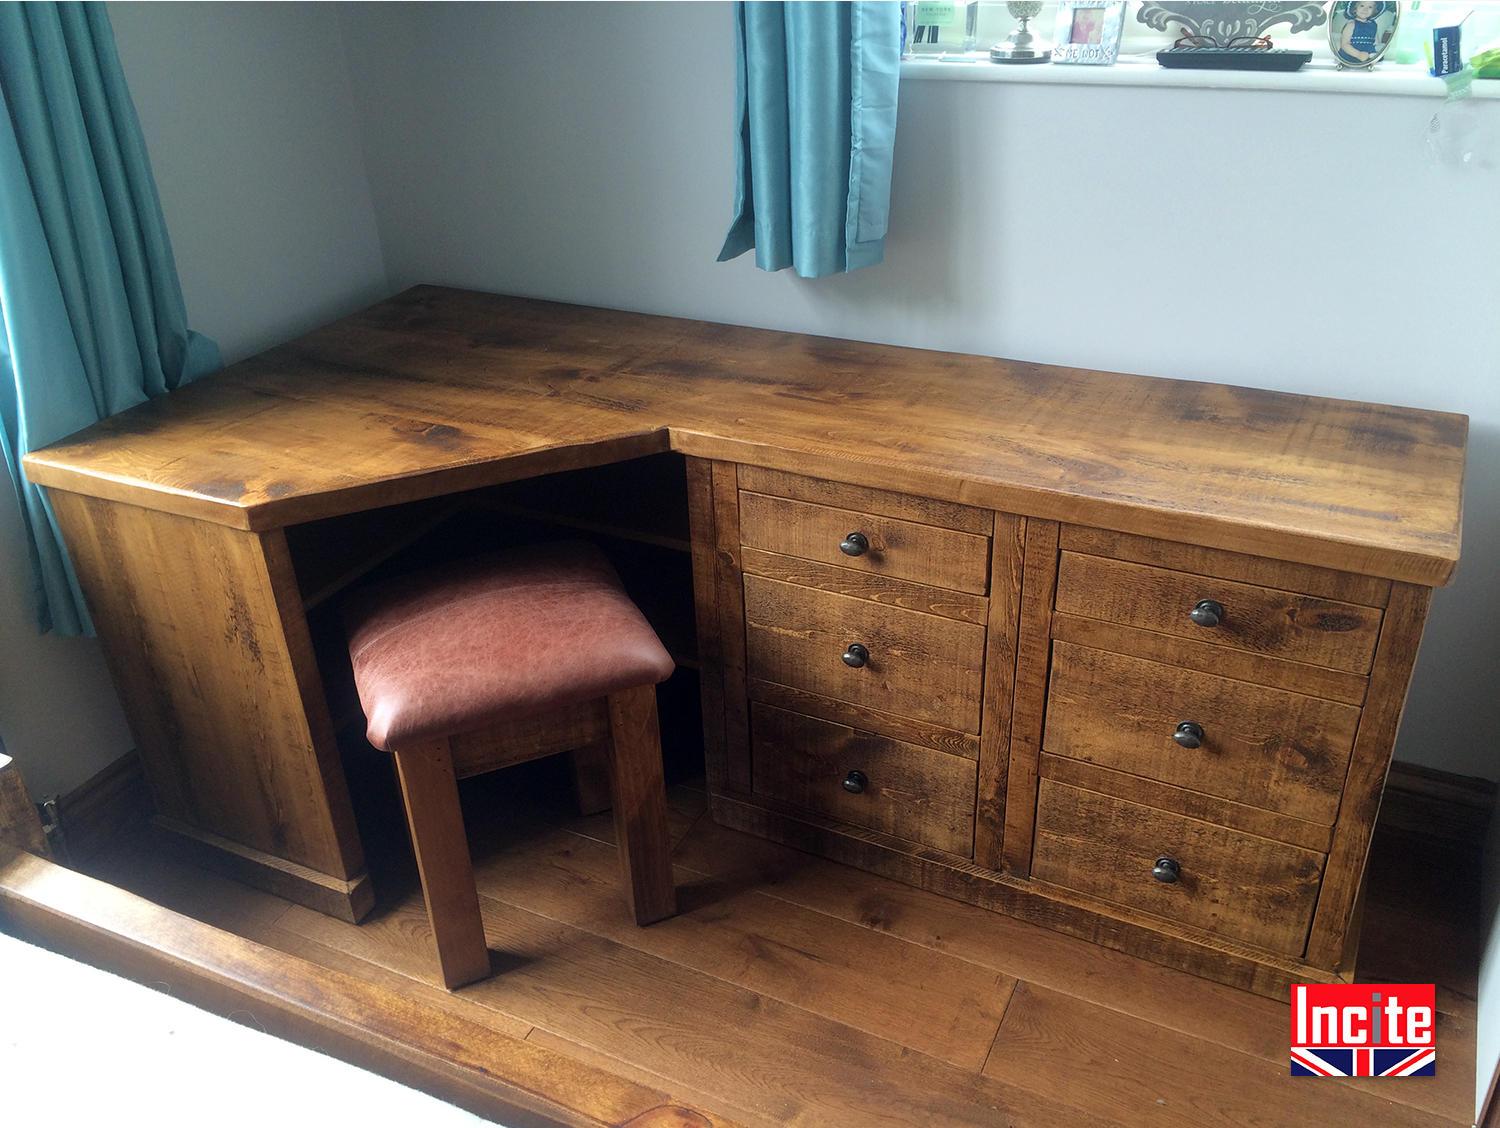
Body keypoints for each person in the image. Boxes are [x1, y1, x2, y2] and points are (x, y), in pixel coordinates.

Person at [1338, 0, 1387, 65]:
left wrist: (1378, 50)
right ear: (1355, 8)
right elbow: (1344, 44)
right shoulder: (1351, 24)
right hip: (1352, 55)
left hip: (1369, 56)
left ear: (1374, 11)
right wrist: (1358, 54)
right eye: (1362, 6)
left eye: (1370, 7)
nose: (1365, 9)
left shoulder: (1373, 25)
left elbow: (1376, 42)